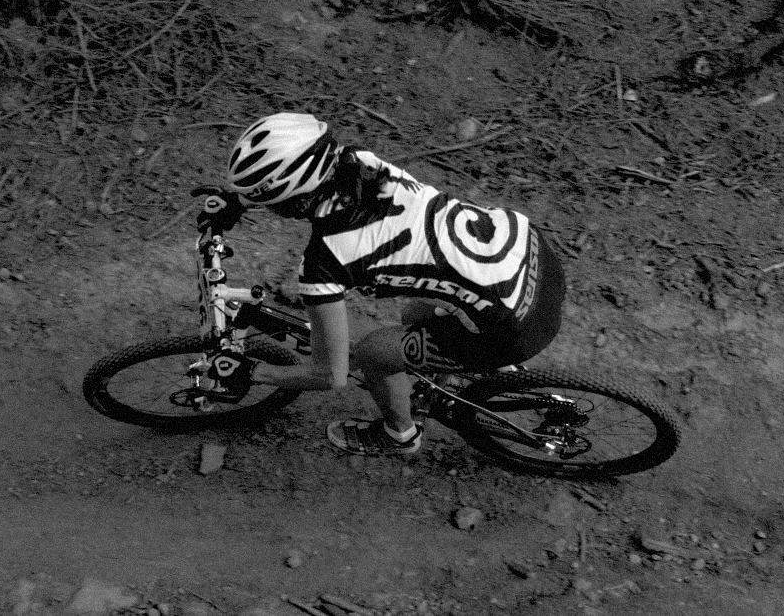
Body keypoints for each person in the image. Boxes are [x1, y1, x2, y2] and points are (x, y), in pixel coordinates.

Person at [198, 112, 565, 456]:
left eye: (270, 202)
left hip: (517, 327)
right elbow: (302, 188)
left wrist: (251, 371)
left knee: (374, 353)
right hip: (533, 254)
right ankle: (489, 370)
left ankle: (399, 435)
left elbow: (330, 375)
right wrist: (242, 200)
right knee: (415, 313)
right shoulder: (360, 161)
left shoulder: (326, 262)